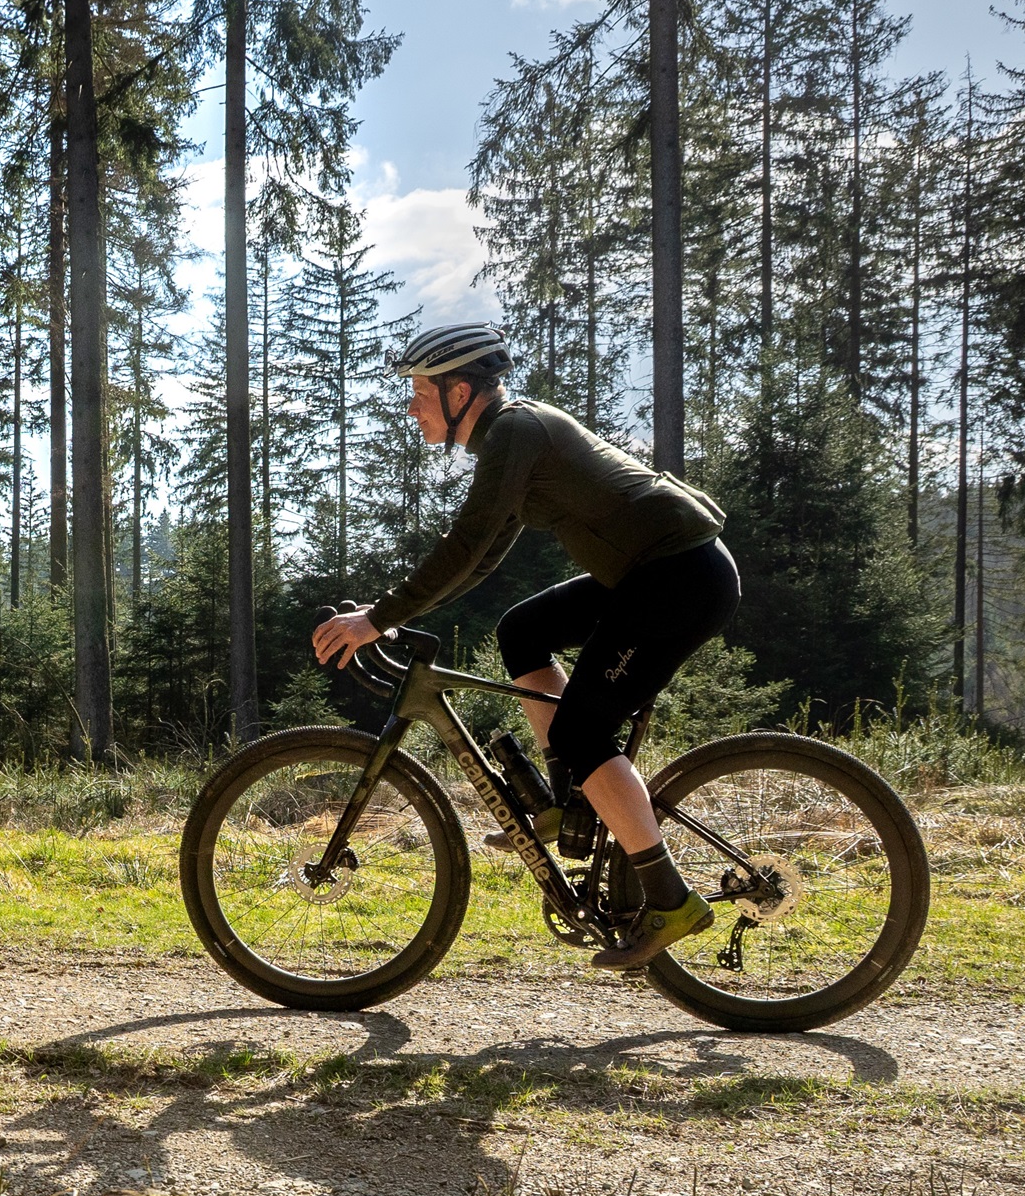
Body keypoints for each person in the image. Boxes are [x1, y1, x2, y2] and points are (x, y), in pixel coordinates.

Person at [310, 321, 739, 970]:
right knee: (522, 631)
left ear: (459, 391)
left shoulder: (514, 431)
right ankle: (568, 806)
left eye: (420, 391)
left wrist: (379, 617)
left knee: (581, 733)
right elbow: (481, 559)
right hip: (659, 573)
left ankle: (668, 897)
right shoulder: (510, 436)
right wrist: (392, 616)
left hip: (679, 577)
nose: (410, 405)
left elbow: (464, 544)